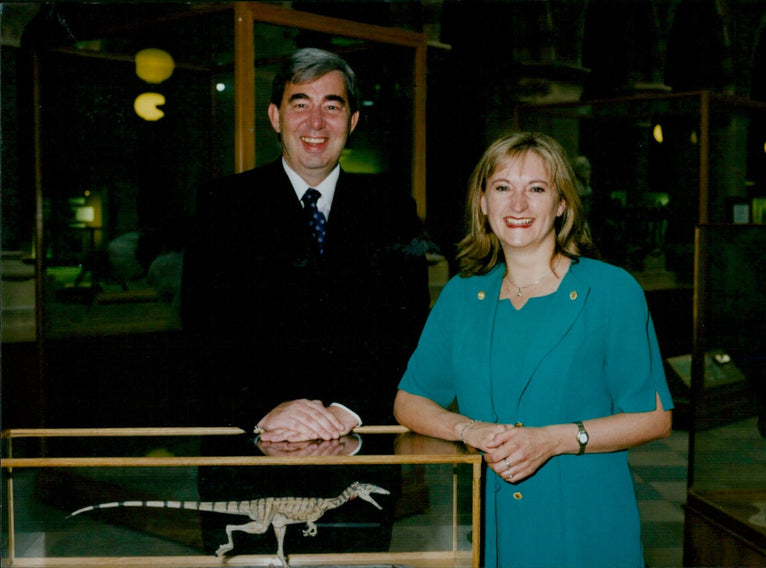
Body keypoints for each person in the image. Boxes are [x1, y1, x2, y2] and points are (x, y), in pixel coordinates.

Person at [181, 47, 431, 555]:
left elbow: (409, 332)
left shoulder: (392, 210)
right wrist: (264, 410)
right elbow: (200, 335)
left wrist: (347, 408)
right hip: (247, 470)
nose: (316, 121)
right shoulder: (222, 206)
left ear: (353, 120)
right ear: (275, 116)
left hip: (358, 471)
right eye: (300, 103)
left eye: (332, 105)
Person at [394, 131, 673, 568]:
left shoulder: (612, 290)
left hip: (589, 524)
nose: (518, 205)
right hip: (494, 522)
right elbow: (409, 401)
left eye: (536, 189)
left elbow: (655, 416)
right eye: (503, 188)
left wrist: (553, 439)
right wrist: (468, 429)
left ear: (562, 204)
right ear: (483, 203)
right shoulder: (462, 296)